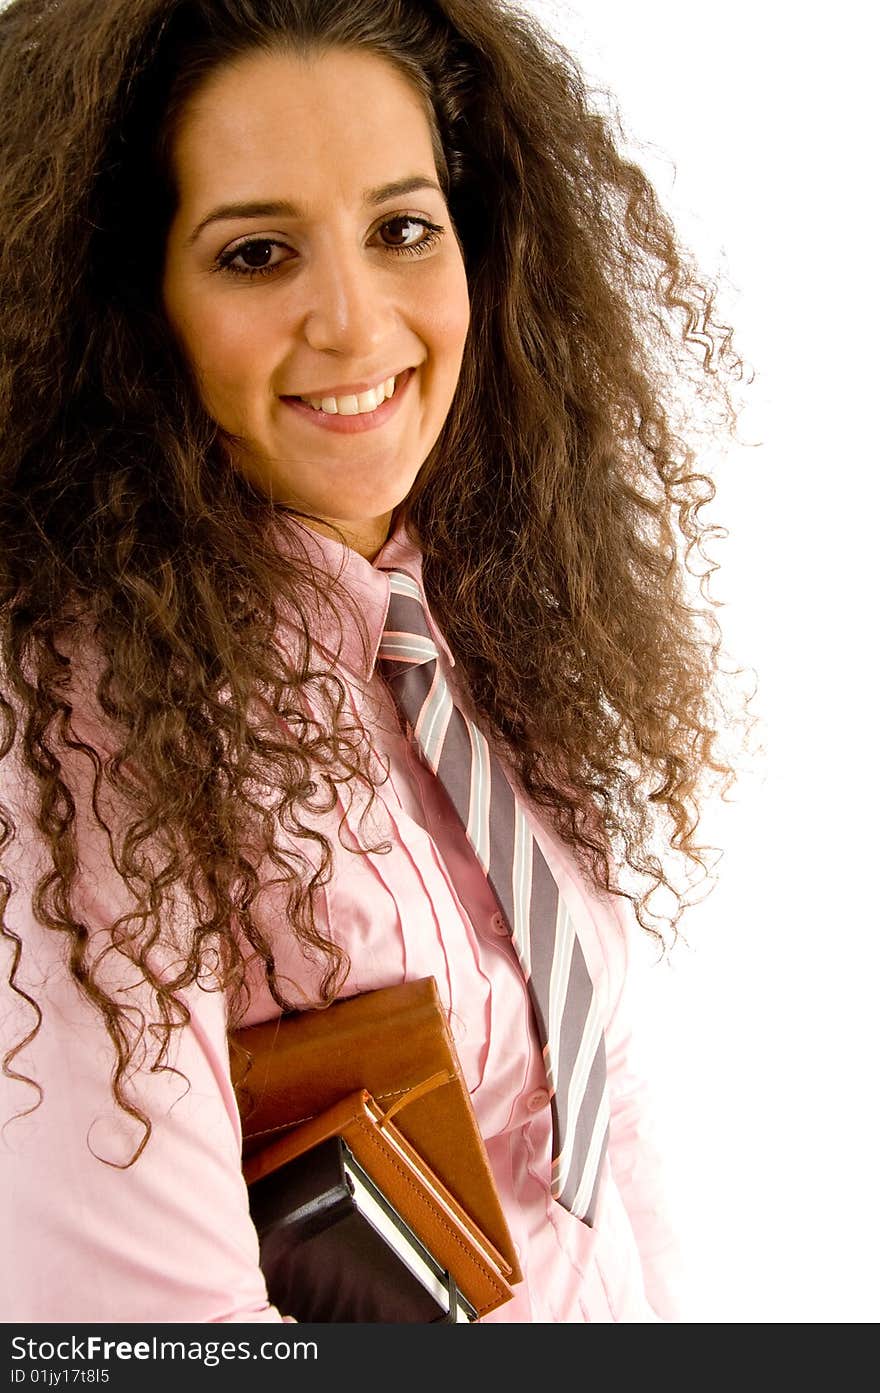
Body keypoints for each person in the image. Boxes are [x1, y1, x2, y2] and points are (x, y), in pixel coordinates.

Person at [0, 0, 752, 1323]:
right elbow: (158, 1339)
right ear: (134, 303)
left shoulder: (481, 602)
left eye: (403, 228)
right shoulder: (75, 745)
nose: (355, 324)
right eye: (255, 253)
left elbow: (593, 1102)